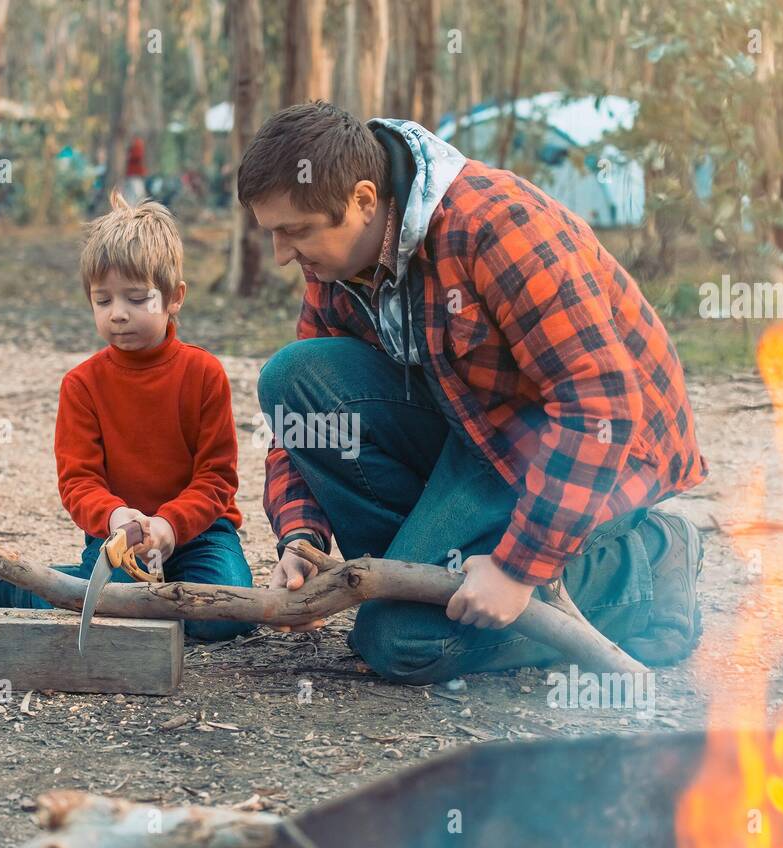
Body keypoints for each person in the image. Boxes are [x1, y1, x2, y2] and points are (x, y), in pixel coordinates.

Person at [240, 101, 709, 683]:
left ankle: (648, 566)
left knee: (402, 642)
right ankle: (423, 579)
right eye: (274, 233)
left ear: (363, 201)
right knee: (293, 377)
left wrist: (518, 568)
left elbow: (599, 403)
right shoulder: (336, 261)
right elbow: (304, 414)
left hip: (594, 450)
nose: (283, 254)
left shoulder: (497, 227)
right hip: (480, 437)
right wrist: (302, 532)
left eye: (295, 232)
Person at [0, 190, 254, 641]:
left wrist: (169, 524)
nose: (118, 315)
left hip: (201, 532)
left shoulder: (203, 373)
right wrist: (116, 518)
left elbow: (217, 478)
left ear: (174, 298)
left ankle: (76, 587)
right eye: (103, 301)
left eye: (136, 298)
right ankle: (29, 587)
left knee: (225, 617)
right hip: (118, 537)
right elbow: (78, 482)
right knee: (113, 611)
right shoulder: (82, 385)